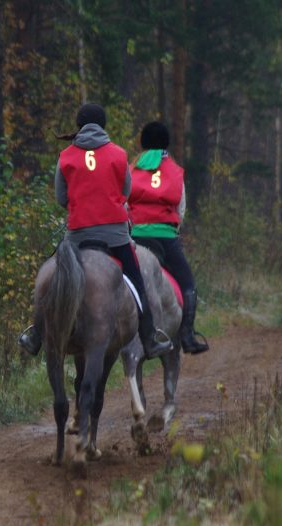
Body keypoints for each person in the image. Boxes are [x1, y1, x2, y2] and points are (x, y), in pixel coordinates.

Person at [18, 103, 172, 359]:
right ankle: (150, 337)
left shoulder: (66, 156)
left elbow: (60, 197)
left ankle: (36, 334)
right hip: (115, 234)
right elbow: (125, 192)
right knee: (136, 281)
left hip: (78, 233)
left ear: (78, 125)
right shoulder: (119, 154)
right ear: (103, 125)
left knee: (50, 276)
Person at [128, 121, 208, 354]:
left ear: (143, 143)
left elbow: (124, 201)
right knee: (188, 284)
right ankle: (187, 335)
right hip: (164, 238)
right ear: (166, 143)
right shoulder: (174, 170)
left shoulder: (132, 168)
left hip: (137, 236)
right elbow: (180, 209)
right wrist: (171, 227)